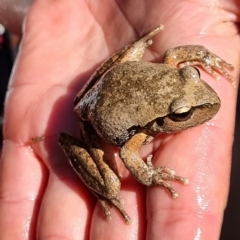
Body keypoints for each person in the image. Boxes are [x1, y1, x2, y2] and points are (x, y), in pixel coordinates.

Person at [0, 0, 239, 239]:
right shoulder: (141, 134)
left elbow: (174, 53)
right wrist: (150, 176)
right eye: (182, 113)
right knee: (112, 187)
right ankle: (70, 145)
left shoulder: (171, 66)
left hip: (110, 83)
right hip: (95, 126)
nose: (192, 73)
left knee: (138, 53)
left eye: (192, 74)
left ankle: (142, 54)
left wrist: (203, 56)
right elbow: (127, 153)